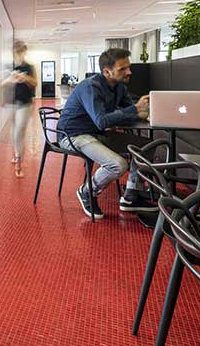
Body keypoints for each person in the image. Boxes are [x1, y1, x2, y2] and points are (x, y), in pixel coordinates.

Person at [56, 48, 156, 219]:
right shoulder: (91, 87)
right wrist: (135, 109)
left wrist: (145, 114)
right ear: (107, 72)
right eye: (122, 69)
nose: (129, 72)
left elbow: (128, 112)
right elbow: (102, 121)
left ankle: (131, 194)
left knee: (146, 146)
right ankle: (87, 191)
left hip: (97, 133)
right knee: (118, 165)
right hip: (74, 135)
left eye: (129, 67)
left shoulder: (119, 87)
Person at [0, 41, 36, 177]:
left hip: (24, 103)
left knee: (18, 133)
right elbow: (0, 83)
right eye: (16, 52)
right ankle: (16, 154)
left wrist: (25, 78)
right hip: (11, 103)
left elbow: (35, 83)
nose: (18, 54)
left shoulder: (29, 67)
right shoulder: (9, 67)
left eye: (21, 51)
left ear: (24, 52)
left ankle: (19, 164)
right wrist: (10, 80)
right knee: (13, 132)